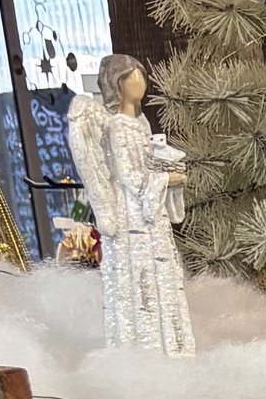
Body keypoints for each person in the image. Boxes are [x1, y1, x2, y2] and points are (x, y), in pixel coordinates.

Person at [65, 55, 193, 356]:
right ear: (118, 84)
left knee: (162, 274)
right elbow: (131, 176)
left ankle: (168, 344)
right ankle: (147, 348)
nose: (141, 83)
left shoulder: (141, 123)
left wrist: (168, 167)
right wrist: (166, 180)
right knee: (141, 278)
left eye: (142, 76)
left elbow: (146, 164)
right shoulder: (118, 127)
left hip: (151, 213)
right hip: (133, 215)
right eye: (134, 77)